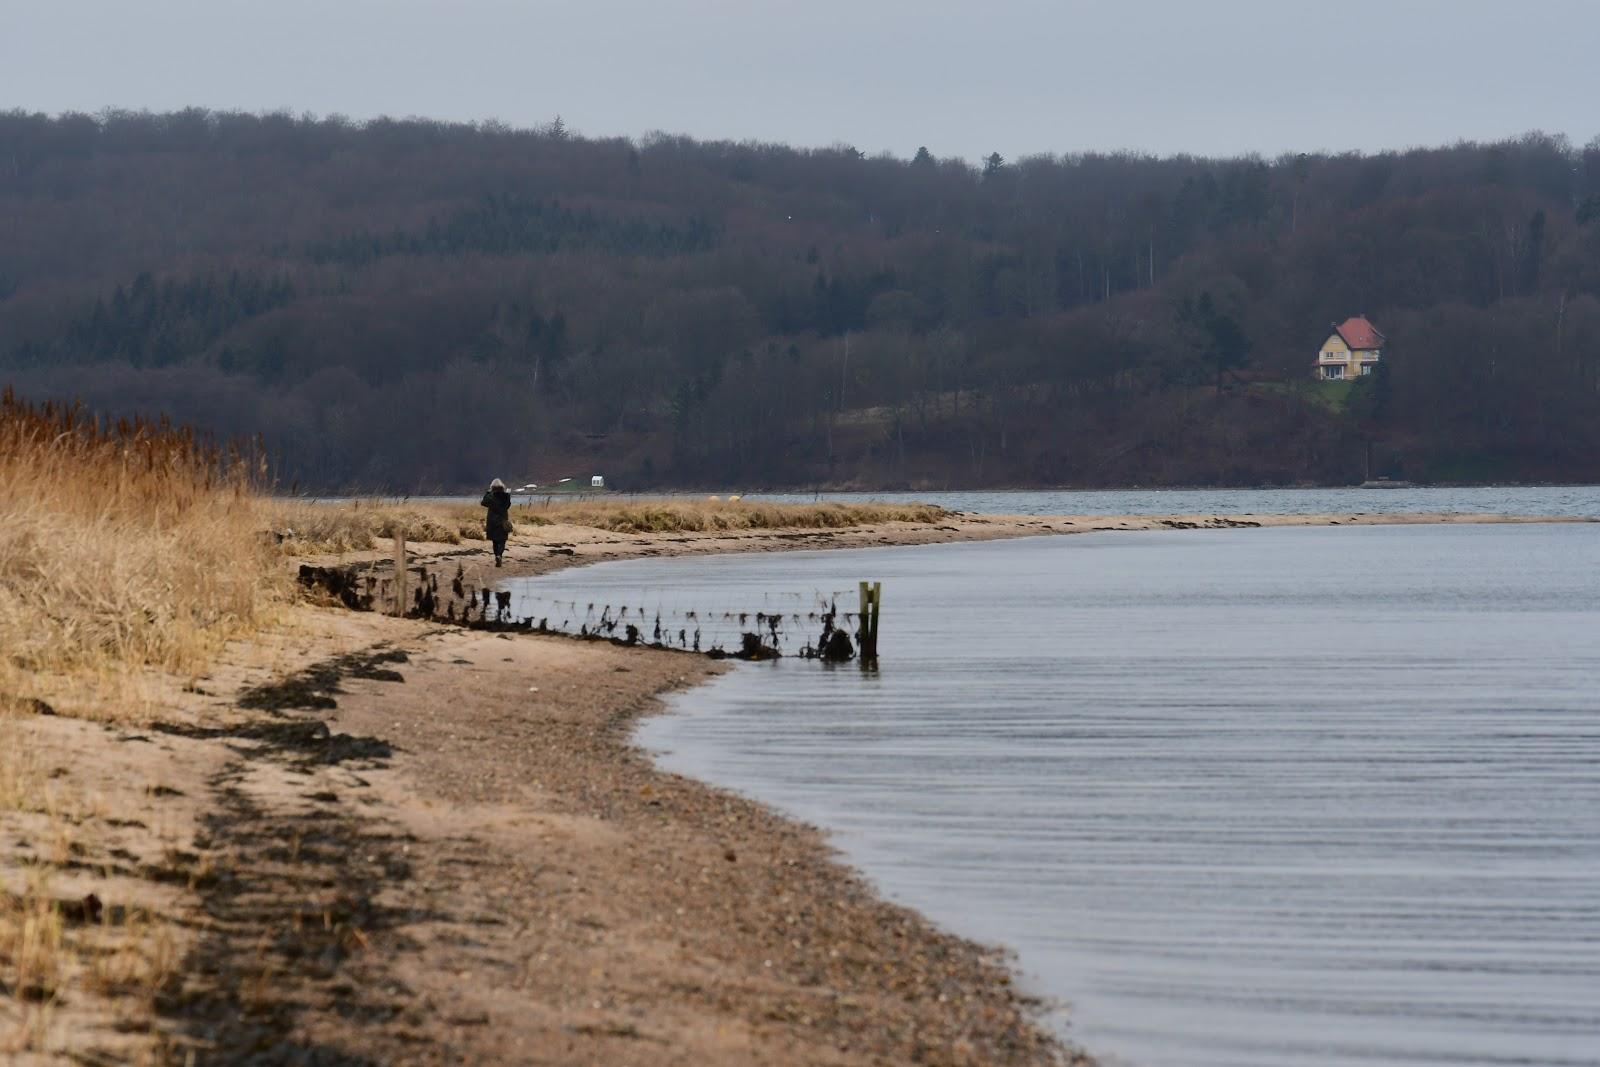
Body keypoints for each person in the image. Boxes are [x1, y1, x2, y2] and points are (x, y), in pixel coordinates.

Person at [480, 478, 513, 566]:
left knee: (495, 541)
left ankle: (496, 556)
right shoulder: (506, 496)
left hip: (491, 521)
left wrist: (488, 493)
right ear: (502, 487)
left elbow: (483, 503)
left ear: (492, 487)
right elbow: (507, 506)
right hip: (503, 521)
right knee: (502, 540)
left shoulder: (490, 496)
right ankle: (499, 555)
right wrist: (508, 494)